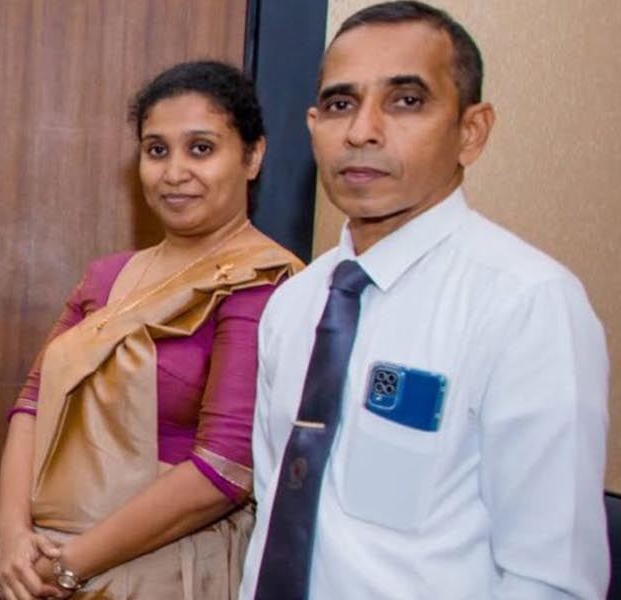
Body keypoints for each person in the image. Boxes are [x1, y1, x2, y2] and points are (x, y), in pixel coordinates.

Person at [242, 3, 608, 599]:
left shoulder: (527, 305)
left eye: (406, 100)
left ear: (471, 131)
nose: (362, 131)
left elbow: (550, 580)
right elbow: (272, 512)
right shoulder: (294, 303)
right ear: (313, 126)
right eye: (340, 104)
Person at [0, 61, 302, 600]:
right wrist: (12, 535)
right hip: (43, 560)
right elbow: (33, 404)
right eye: (157, 150)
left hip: (166, 567)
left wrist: (70, 565)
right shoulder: (105, 276)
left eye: (200, 148)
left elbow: (225, 468)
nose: (174, 171)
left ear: (252, 157)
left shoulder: (263, 282)